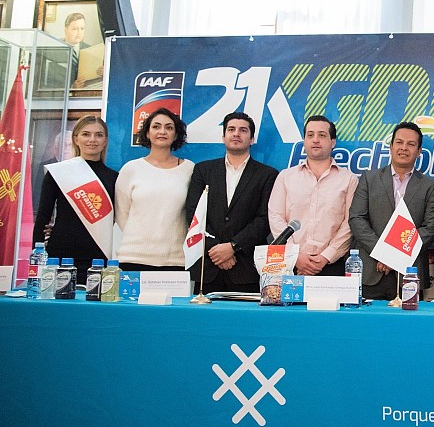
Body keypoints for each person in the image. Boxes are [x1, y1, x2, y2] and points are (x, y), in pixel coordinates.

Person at [185, 112, 279, 294]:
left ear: (252, 139)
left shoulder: (267, 175)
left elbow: (264, 219)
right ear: (223, 137)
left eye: (243, 130)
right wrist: (215, 250)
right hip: (208, 266)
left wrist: (233, 247)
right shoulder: (203, 170)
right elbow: (193, 215)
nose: (236, 134)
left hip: (245, 269)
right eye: (231, 129)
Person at [349, 121, 434, 299]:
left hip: (409, 273)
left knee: (408, 319)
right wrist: (383, 253)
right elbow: (357, 219)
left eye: (411, 144)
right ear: (391, 147)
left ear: (419, 151)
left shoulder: (429, 186)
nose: (404, 148)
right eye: (399, 142)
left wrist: (395, 257)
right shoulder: (369, 178)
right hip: (371, 269)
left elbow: (430, 227)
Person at [267, 115, 358, 277]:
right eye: (310, 135)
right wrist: (295, 255)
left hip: (331, 265)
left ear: (333, 142)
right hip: (290, 264)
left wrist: (326, 256)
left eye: (322, 135)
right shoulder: (286, 177)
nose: (315, 140)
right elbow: (275, 217)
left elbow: (350, 222)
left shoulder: (348, 179)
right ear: (304, 141)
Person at [33, 116, 118, 284]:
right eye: (86, 134)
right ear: (76, 139)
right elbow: (43, 217)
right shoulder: (58, 172)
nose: (92, 140)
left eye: (99, 135)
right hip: (60, 255)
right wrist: (37, 258)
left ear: (105, 141)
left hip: (99, 258)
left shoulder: (115, 178)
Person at [114, 108, 195, 271]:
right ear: (147, 133)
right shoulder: (131, 169)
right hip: (133, 258)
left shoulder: (189, 169)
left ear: (176, 135)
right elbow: (122, 213)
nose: (162, 131)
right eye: (156, 126)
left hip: (175, 260)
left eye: (169, 127)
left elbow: (193, 214)